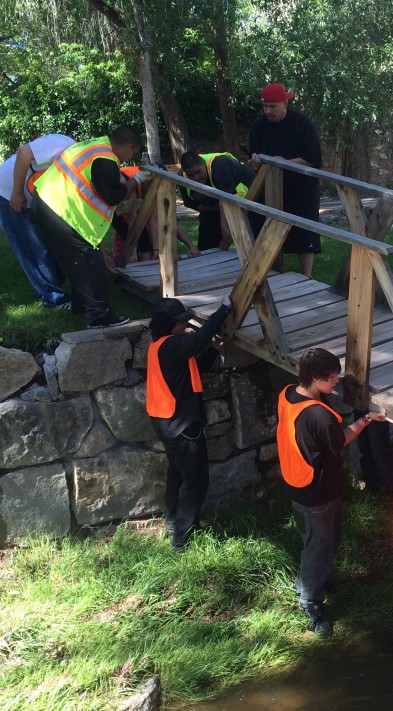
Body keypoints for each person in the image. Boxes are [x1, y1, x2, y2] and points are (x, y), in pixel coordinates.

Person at [277, 348, 388, 634]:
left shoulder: (288, 393)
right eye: (330, 378)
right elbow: (341, 440)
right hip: (318, 491)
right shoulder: (319, 416)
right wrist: (365, 420)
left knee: (314, 541)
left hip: (296, 481)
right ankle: (311, 602)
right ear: (315, 379)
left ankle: (306, 582)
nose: (336, 382)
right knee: (321, 545)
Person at [31, 125, 143, 328]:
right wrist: (135, 181)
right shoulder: (105, 159)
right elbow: (114, 195)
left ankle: (81, 306)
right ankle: (99, 316)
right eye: (132, 152)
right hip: (60, 210)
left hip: (47, 201)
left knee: (76, 261)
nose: (129, 157)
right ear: (128, 146)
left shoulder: (95, 145)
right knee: (89, 263)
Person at [146, 296, 231, 550]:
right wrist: (224, 310)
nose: (186, 325)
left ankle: (172, 523)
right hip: (182, 425)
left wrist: (215, 350)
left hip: (166, 422)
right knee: (195, 481)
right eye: (181, 322)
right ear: (169, 326)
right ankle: (181, 540)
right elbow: (198, 339)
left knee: (177, 474)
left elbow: (195, 368)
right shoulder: (172, 345)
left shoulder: (159, 347)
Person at [248, 82, 323, 278]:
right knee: (263, 224)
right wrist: (255, 159)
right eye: (265, 106)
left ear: (284, 103)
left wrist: (286, 162)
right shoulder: (259, 125)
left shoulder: (302, 123)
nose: (268, 111)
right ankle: (267, 271)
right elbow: (253, 153)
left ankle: (307, 276)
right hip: (269, 186)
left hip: (301, 187)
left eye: (273, 107)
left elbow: (313, 158)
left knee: (304, 230)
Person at [0, 133, 75, 308]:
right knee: (32, 248)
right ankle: (55, 299)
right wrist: (17, 192)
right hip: (10, 193)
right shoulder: (64, 144)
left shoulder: (81, 168)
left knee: (49, 245)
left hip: (36, 199)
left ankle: (56, 285)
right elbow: (24, 153)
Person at [178, 150, 256, 251]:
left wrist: (224, 228)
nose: (196, 177)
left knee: (247, 240)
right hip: (215, 205)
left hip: (248, 200)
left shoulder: (220, 165)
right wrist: (214, 208)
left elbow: (226, 198)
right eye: (191, 175)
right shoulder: (181, 176)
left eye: (198, 172)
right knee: (206, 238)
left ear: (203, 163)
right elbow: (191, 204)